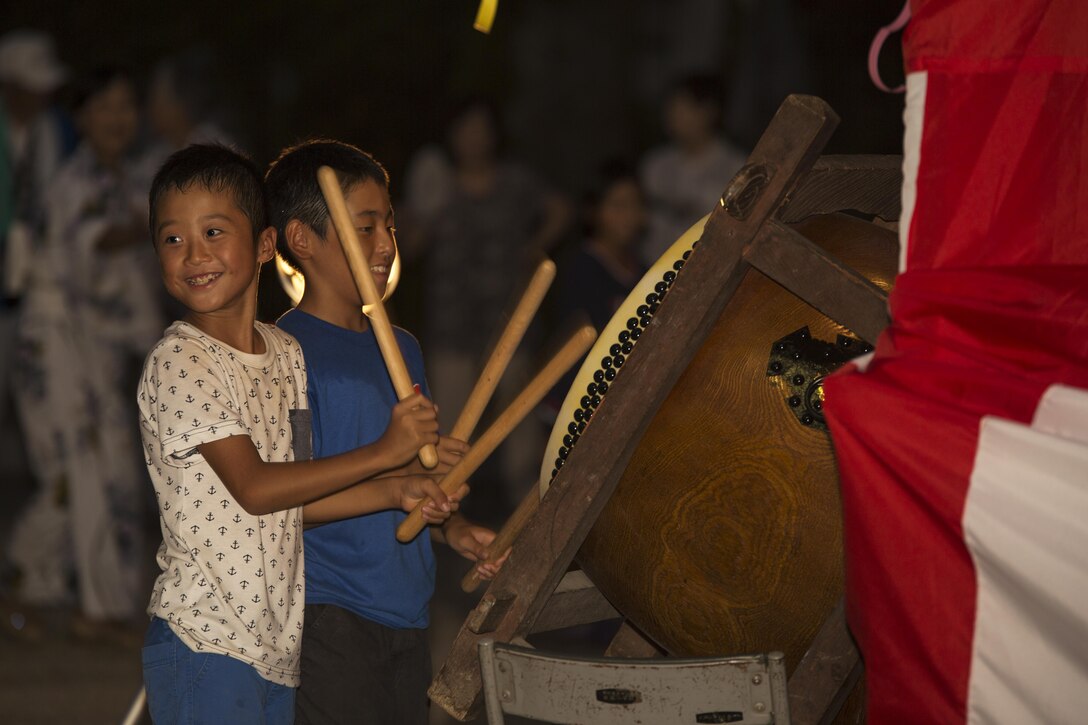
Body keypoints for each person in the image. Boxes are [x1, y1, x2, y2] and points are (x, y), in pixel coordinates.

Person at [139, 144, 461, 724]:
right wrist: (386, 454)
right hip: (206, 636)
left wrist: (401, 487)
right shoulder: (180, 361)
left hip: (276, 644)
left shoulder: (283, 355)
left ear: (265, 247)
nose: (193, 255)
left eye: (213, 232)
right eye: (172, 240)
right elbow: (258, 489)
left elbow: (300, 492)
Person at [269, 139, 506, 724]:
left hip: (407, 611)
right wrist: (394, 475)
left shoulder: (401, 347)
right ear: (302, 240)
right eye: (366, 227)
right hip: (329, 614)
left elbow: (414, 477)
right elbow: (284, 501)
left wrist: (452, 529)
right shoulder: (284, 352)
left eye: (390, 225)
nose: (386, 244)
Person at [8, 66, 158, 633]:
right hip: (56, 348)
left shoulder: (132, 179)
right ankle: (66, 593)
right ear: (81, 118)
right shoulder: (76, 182)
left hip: (94, 351)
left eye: (125, 106)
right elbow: (100, 243)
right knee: (81, 473)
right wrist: (169, 222)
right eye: (104, 107)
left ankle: (65, 592)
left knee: (110, 468)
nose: (116, 118)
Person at [401, 98, 570, 504]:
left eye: (481, 128)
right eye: (465, 129)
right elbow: (407, 245)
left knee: (519, 424)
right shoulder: (437, 181)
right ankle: (447, 513)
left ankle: (525, 510)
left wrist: (536, 247)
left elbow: (561, 209)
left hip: (511, 321)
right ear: (452, 136)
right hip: (452, 325)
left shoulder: (515, 181)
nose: (473, 138)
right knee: (451, 431)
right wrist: (421, 216)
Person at [638, 72, 746, 266]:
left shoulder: (735, 167)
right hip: (655, 274)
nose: (672, 116)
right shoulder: (655, 165)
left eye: (681, 108)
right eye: (670, 108)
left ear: (708, 111)